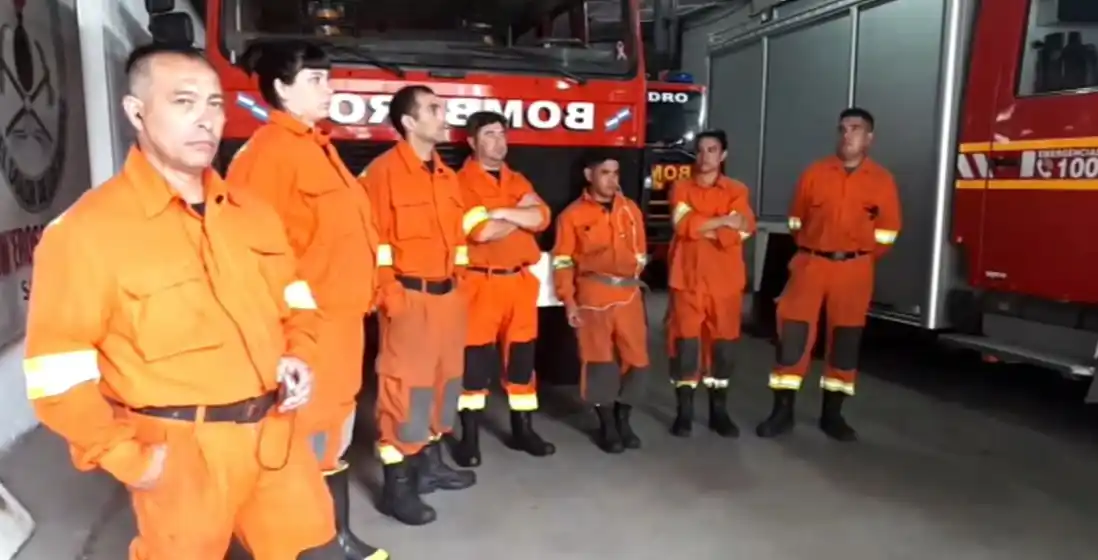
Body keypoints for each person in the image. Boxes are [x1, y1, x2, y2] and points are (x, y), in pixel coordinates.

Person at [22, 43, 346, 559]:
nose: (206, 120)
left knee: (316, 551)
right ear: (137, 112)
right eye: (184, 102)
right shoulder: (87, 233)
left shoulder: (252, 215)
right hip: (181, 457)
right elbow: (56, 374)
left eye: (215, 104)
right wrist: (128, 458)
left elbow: (296, 301)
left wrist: (299, 354)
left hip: (276, 440)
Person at [225, 41, 386, 560]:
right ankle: (306, 545)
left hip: (344, 327)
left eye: (327, 77)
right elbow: (250, 261)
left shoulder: (321, 149)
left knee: (334, 435)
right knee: (304, 439)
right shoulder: (266, 157)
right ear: (281, 89)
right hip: (306, 331)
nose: (330, 88)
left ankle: (335, 536)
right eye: (316, 79)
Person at [359, 85, 475, 526]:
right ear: (408, 121)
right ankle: (397, 487)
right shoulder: (383, 174)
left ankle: (431, 463)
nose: (444, 115)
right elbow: (373, 243)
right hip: (409, 299)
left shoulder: (446, 176)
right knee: (403, 395)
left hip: (448, 301)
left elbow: (459, 240)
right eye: (433, 109)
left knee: (444, 387)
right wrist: (389, 293)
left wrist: (460, 283)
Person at [755, 107, 901, 442]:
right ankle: (782, 412)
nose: (847, 134)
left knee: (845, 342)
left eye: (855, 128)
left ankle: (832, 416)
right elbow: (796, 222)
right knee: (792, 336)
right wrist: (817, 249)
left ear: (869, 138)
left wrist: (856, 256)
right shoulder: (815, 174)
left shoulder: (882, 181)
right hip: (810, 264)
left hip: (855, 270)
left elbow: (889, 232)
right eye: (842, 128)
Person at [450, 111, 556, 467]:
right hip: (480, 283)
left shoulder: (517, 178)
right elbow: (479, 231)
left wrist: (500, 214)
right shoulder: (460, 182)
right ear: (472, 141)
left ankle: (522, 430)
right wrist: (517, 213)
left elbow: (543, 217)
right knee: (474, 363)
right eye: (491, 134)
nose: (500, 141)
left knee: (522, 361)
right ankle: (469, 438)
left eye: (502, 134)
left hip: (520, 284)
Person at [551, 151, 649, 454]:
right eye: (605, 172)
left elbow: (640, 252)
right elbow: (563, 262)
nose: (612, 179)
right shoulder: (572, 216)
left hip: (629, 295)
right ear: (589, 175)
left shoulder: (631, 210)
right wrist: (569, 302)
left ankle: (624, 419)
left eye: (616, 173)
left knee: (639, 362)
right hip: (593, 296)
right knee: (600, 365)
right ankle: (607, 425)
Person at [665, 130, 755, 438]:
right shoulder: (680, 187)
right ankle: (684, 413)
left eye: (712, 150)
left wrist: (703, 225)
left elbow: (743, 230)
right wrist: (722, 222)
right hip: (687, 279)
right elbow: (682, 225)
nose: (705, 156)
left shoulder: (738, 190)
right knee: (685, 345)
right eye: (701, 150)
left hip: (725, 284)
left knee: (723, 348)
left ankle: (719, 413)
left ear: (723, 155)